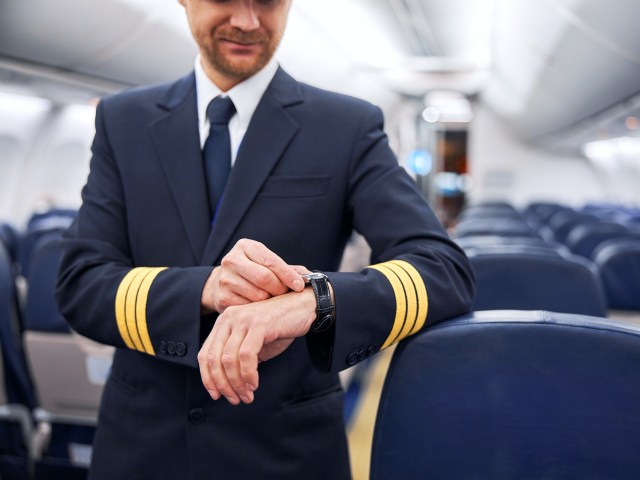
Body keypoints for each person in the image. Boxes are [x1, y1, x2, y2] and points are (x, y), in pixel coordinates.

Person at [55, 0, 475, 478]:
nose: (248, 21)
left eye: (268, 2)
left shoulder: (346, 126)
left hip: (284, 452)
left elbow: (444, 268)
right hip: (142, 450)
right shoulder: (122, 120)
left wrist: (317, 301)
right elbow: (80, 282)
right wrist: (205, 289)